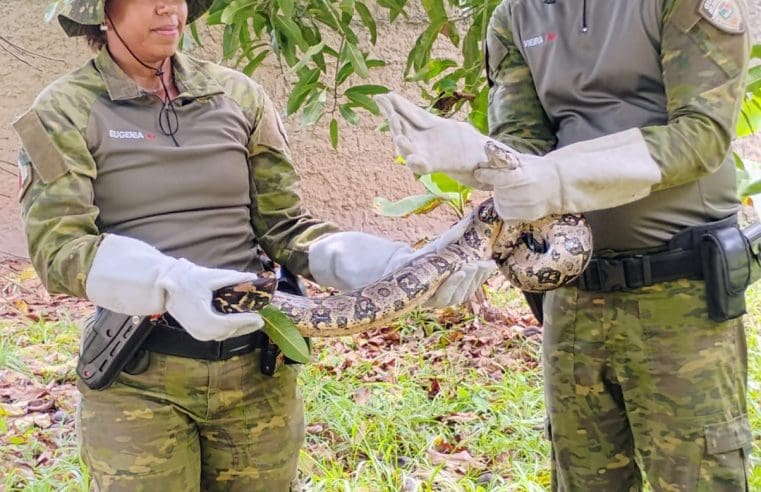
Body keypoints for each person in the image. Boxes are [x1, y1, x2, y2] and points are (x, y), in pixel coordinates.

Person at [13, 1, 494, 490]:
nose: (168, 7)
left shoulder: (237, 96)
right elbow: (60, 248)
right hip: (139, 376)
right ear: (103, 10)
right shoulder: (63, 109)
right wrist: (170, 282)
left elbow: (286, 226)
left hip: (255, 375)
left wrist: (389, 265)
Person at [376, 0, 752, 489]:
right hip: (572, 298)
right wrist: (478, 159)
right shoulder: (515, 16)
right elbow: (522, 143)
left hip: (678, 292)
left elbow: (701, 135)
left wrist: (557, 176)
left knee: (697, 476)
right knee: (582, 478)